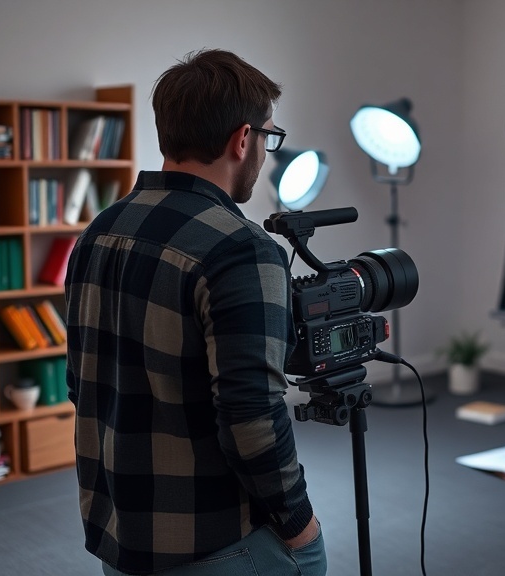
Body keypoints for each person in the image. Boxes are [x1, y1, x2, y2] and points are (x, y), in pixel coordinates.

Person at [65, 49, 325, 576]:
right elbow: (252, 418)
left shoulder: (98, 232)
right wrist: (300, 522)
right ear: (243, 139)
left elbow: (81, 382)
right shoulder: (242, 250)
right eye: (268, 137)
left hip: (121, 538)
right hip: (214, 542)